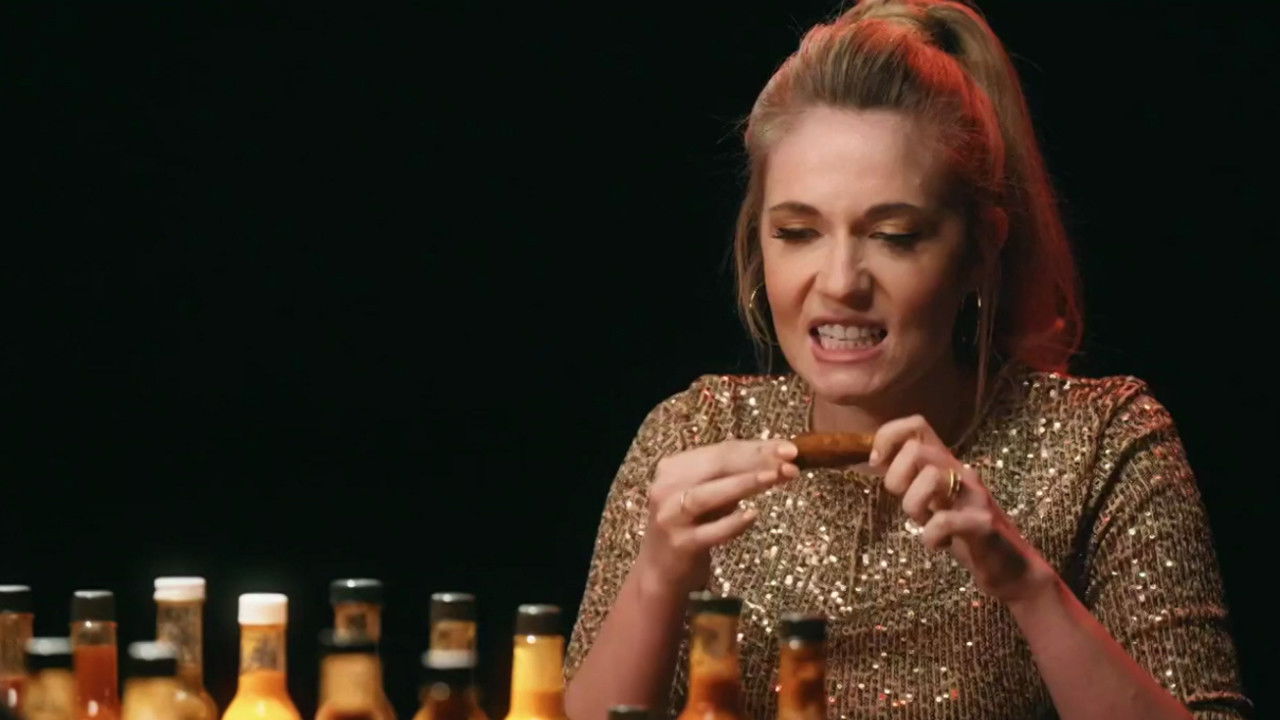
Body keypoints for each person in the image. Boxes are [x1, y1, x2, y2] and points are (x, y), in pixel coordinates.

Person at [560, 2, 1252, 719]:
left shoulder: (1103, 443)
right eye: (797, 232)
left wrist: (1027, 586)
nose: (840, 283)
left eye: (894, 236)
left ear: (980, 248)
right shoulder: (692, 431)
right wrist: (658, 577)